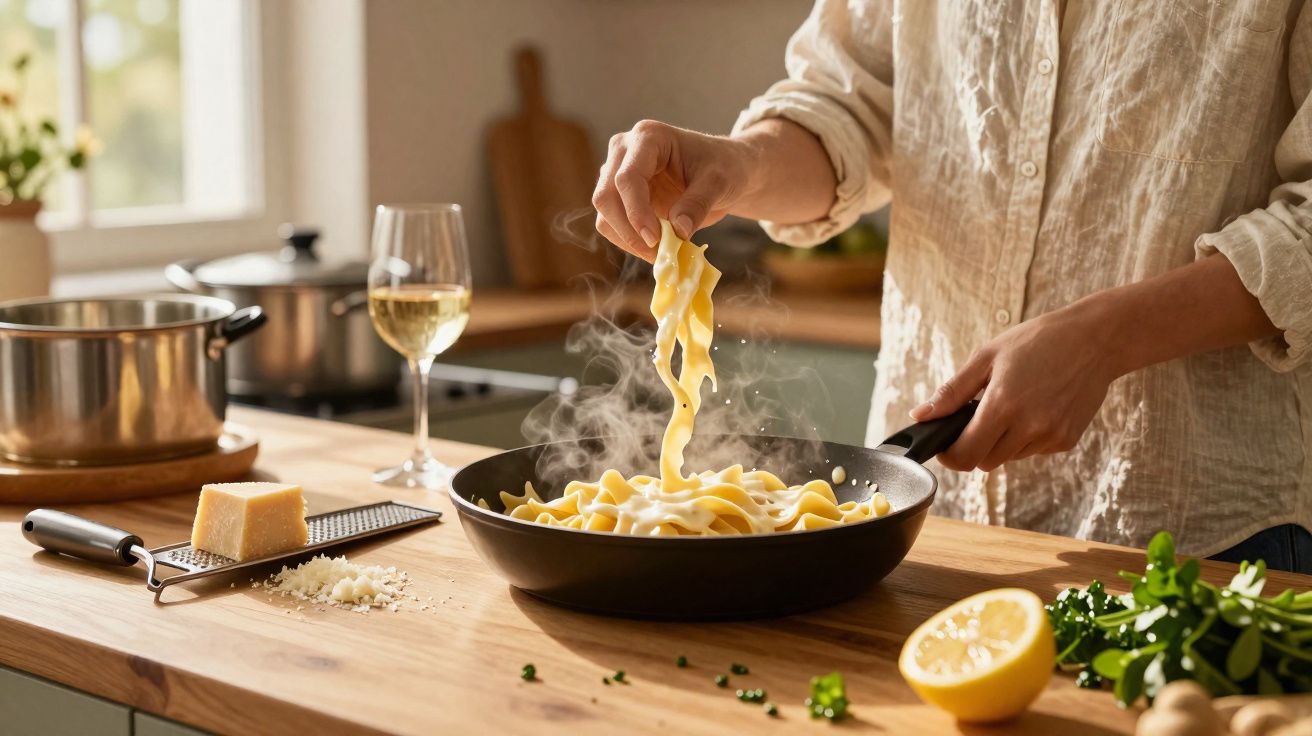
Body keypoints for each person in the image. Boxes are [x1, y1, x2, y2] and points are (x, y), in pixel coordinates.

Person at [591, 0, 1312, 572]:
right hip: (928, 523)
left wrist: (1104, 339)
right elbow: (848, 105)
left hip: (1204, 535)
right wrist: (741, 164)